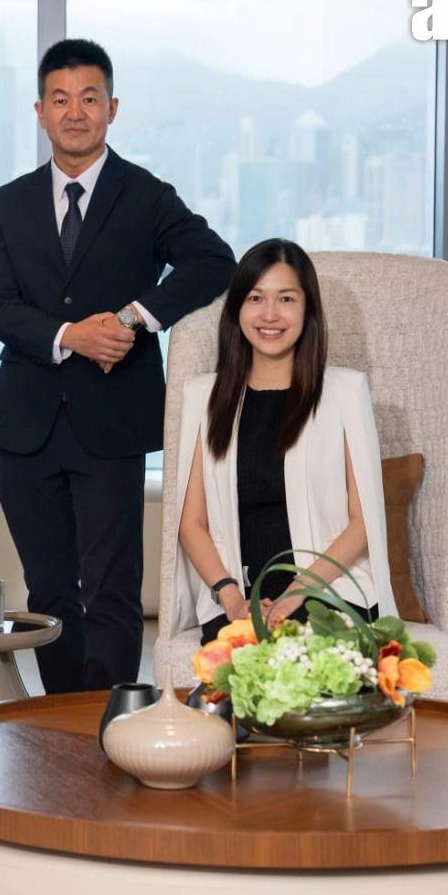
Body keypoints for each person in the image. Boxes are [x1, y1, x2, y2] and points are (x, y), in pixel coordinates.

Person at [0, 37, 235, 694]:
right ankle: (64, 717)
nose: (75, 112)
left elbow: (214, 261)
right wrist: (69, 334)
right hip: (26, 424)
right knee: (47, 588)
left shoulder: (145, 195)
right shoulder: (10, 202)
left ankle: (110, 724)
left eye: (89, 99)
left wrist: (131, 319)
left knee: (112, 587)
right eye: (60, 99)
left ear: (112, 108)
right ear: (40, 111)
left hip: (113, 421)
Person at [171, 239, 399, 646]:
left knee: (299, 651)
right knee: (241, 654)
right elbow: (191, 524)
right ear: (236, 309)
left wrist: (298, 592)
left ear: (308, 309)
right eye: (256, 298)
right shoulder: (205, 398)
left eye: (286, 299)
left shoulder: (344, 392)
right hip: (239, 595)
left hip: (328, 591)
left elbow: (363, 521)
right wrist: (231, 598)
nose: (270, 314)